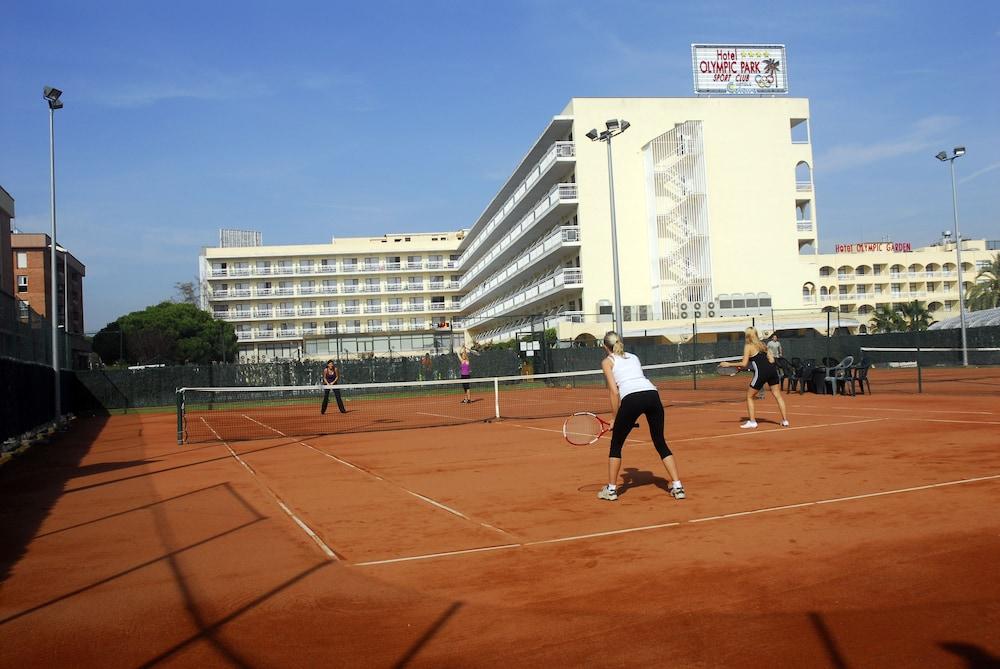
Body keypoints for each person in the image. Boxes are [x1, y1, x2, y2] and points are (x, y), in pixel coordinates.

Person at [597, 331, 685, 502]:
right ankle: (678, 486)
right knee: (660, 442)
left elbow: (614, 392)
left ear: (604, 347)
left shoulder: (607, 362)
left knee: (616, 445)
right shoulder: (634, 357)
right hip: (652, 394)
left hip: (631, 398)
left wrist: (615, 418)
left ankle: (612, 490)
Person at [720, 327, 789, 429]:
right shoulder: (763, 345)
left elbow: (744, 363)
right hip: (772, 371)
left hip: (762, 373)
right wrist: (741, 369)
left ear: (747, 335)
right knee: (778, 396)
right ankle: (785, 421)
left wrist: (728, 364)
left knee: (749, 396)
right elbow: (771, 360)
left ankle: (752, 422)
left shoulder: (748, 346)